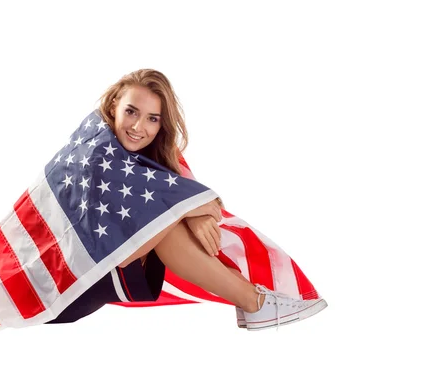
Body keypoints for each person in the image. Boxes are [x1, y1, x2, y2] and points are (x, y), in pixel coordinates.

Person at [47, 69, 326, 330]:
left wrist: (195, 213)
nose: (138, 126)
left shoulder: (142, 160)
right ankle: (254, 302)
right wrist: (181, 211)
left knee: (166, 217)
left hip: (90, 281)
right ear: (113, 107)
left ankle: (252, 298)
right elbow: (124, 255)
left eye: (152, 118)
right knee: (160, 223)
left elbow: (208, 203)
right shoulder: (92, 155)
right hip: (59, 289)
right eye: (131, 112)